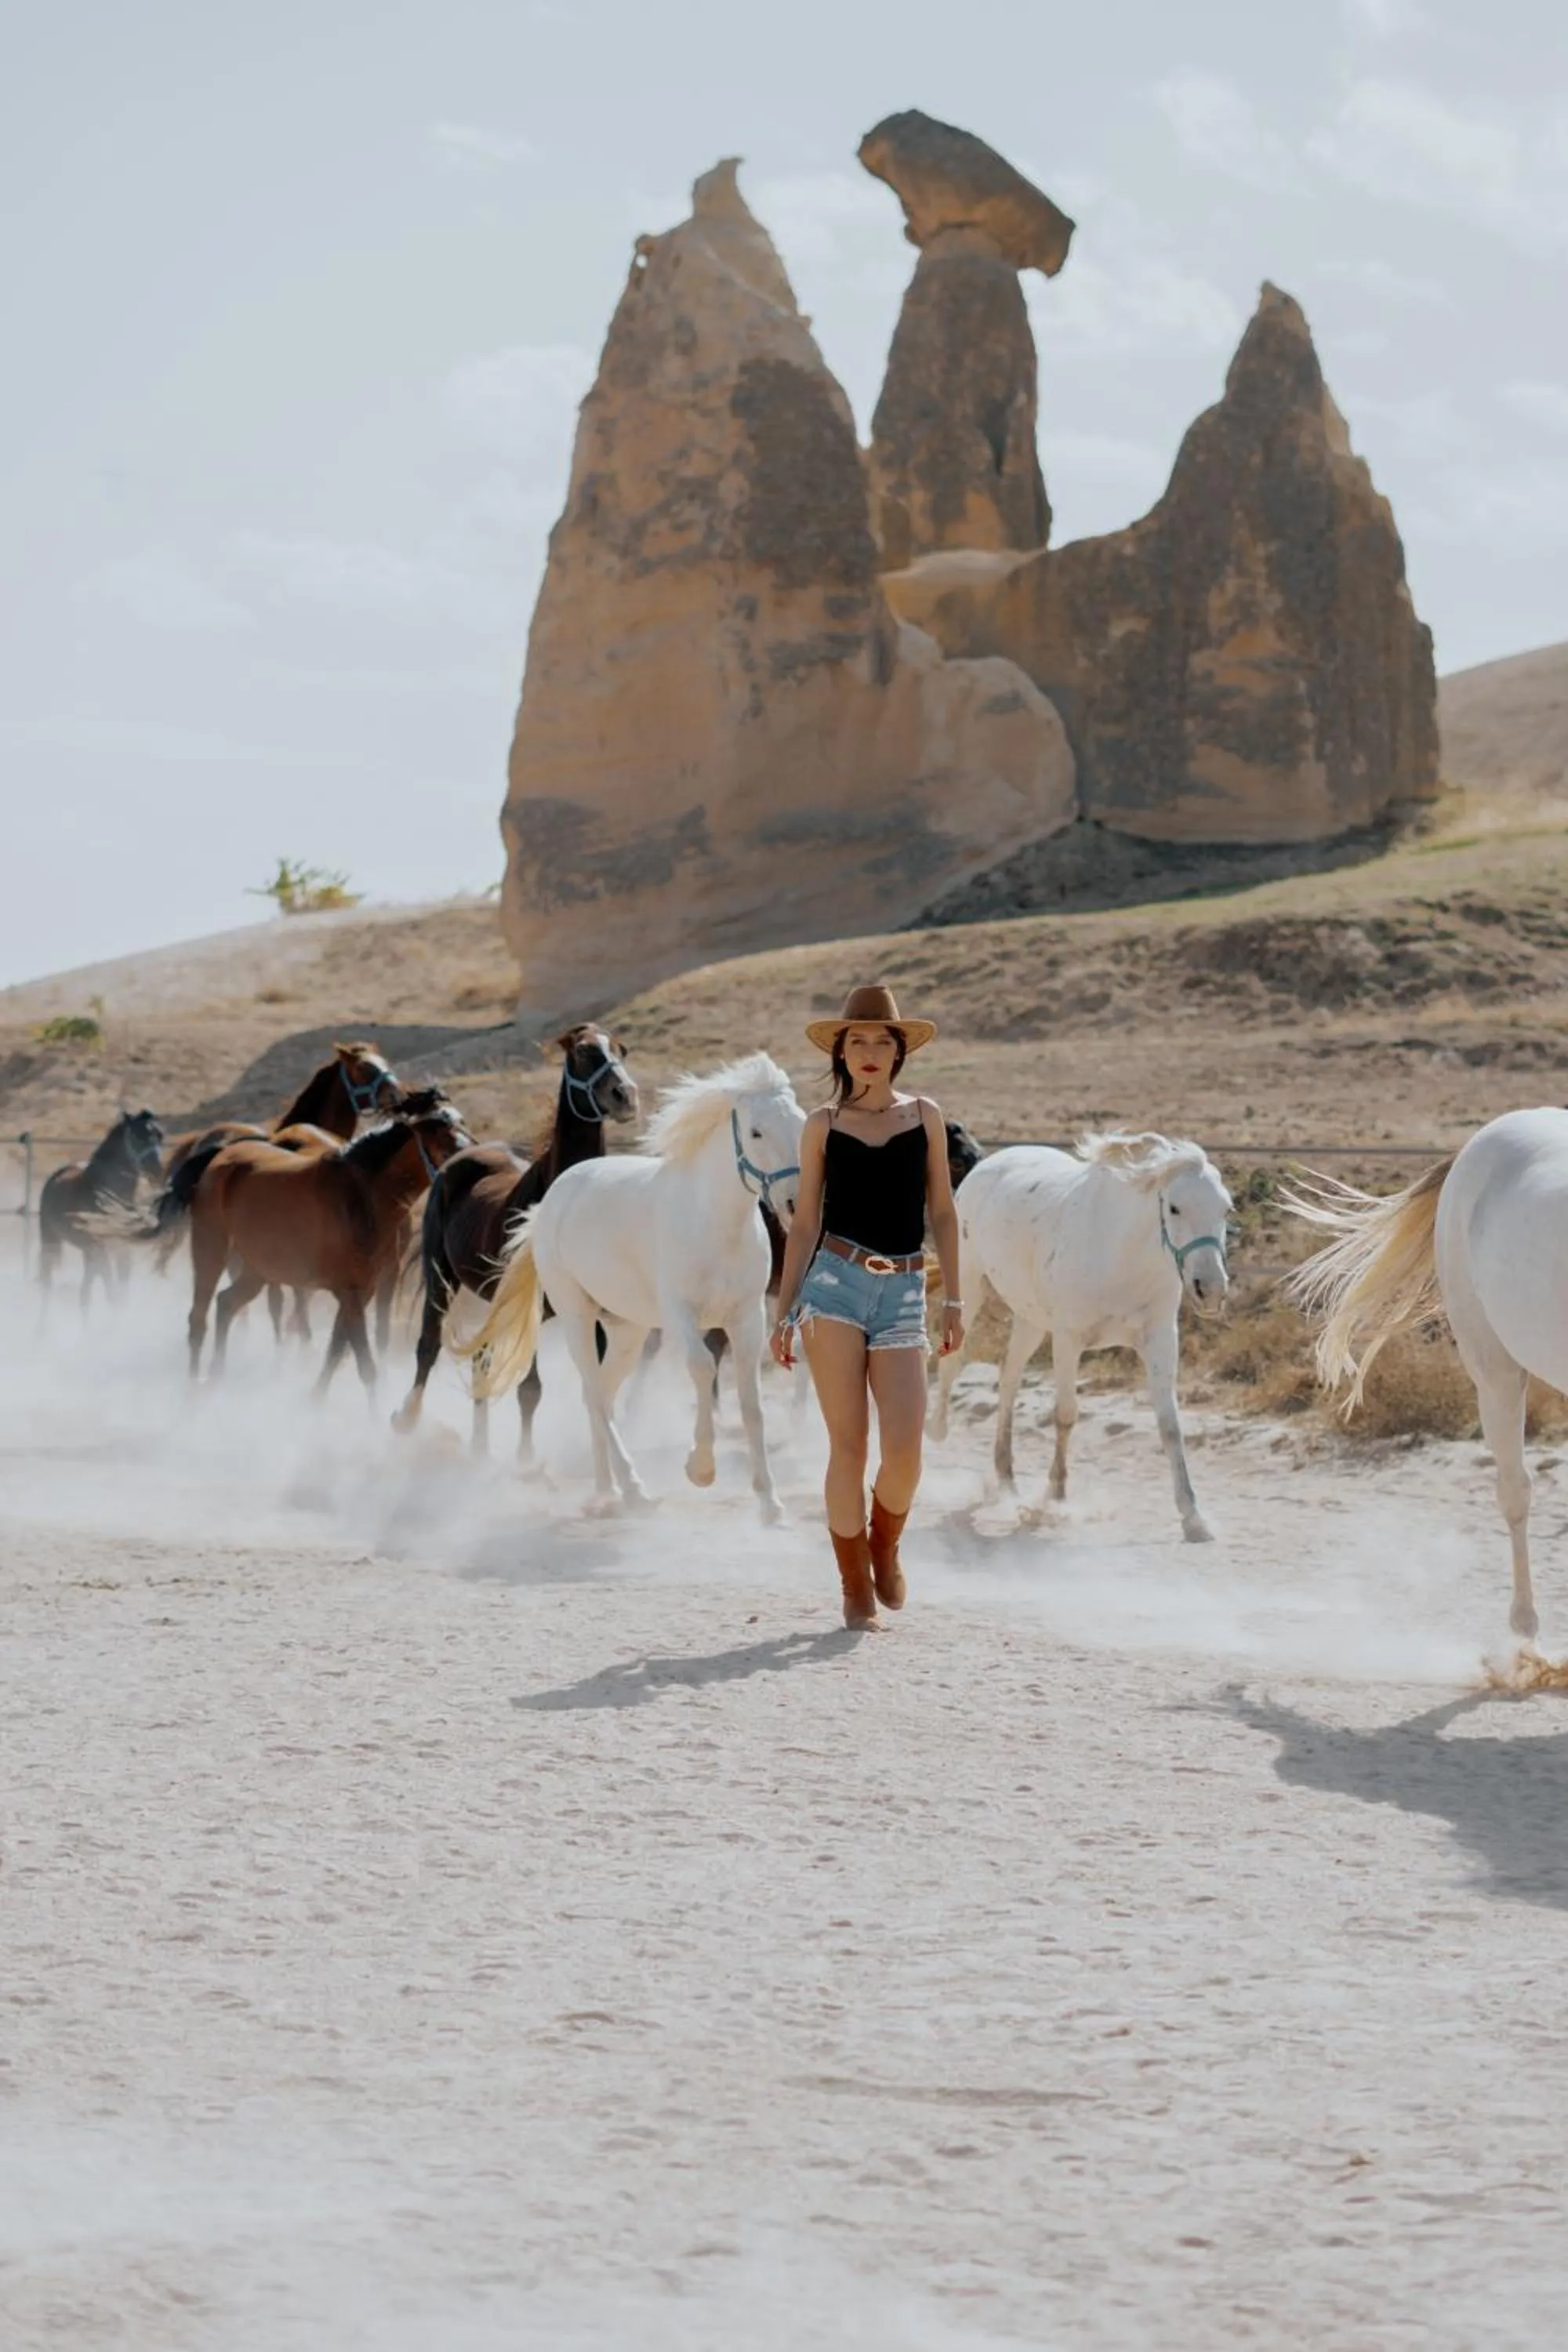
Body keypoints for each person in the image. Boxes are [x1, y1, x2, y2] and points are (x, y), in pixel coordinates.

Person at [770, 985, 964, 1628]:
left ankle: (884, 1542)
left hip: (905, 1290)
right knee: (848, 1446)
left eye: (884, 1040)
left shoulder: (926, 1116)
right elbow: (803, 1225)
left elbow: (942, 1210)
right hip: (833, 1288)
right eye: (859, 1041)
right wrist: (783, 1307)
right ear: (842, 1052)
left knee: (906, 1451)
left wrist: (955, 1297)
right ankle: (854, 1583)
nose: (871, 1052)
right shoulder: (821, 1124)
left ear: (900, 1050)